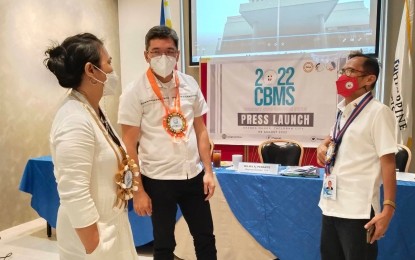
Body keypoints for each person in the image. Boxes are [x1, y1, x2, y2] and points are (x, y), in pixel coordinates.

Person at [118, 25, 217, 260]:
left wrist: (208, 172)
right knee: (163, 244)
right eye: (156, 51)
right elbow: (129, 146)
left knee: (205, 237)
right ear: (146, 55)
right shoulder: (134, 92)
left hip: (193, 176)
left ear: (178, 55)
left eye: (169, 51)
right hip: (158, 180)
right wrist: (139, 190)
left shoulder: (190, 85)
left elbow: (201, 131)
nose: (163, 57)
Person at [45, 33, 138, 260]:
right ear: (91, 70)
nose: (111, 69)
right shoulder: (73, 120)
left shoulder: (92, 109)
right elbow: (73, 191)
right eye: (108, 62)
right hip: (92, 238)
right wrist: (94, 244)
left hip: (110, 225)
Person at [316, 52, 397, 260]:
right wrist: (321, 147)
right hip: (331, 205)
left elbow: (388, 162)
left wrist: (388, 209)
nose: (344, 75)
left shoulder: (378, 112)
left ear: (370, 79)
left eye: (351, 71)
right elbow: (334, 138)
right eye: (343, 70)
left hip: (359, 211)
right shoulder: (343, 112)